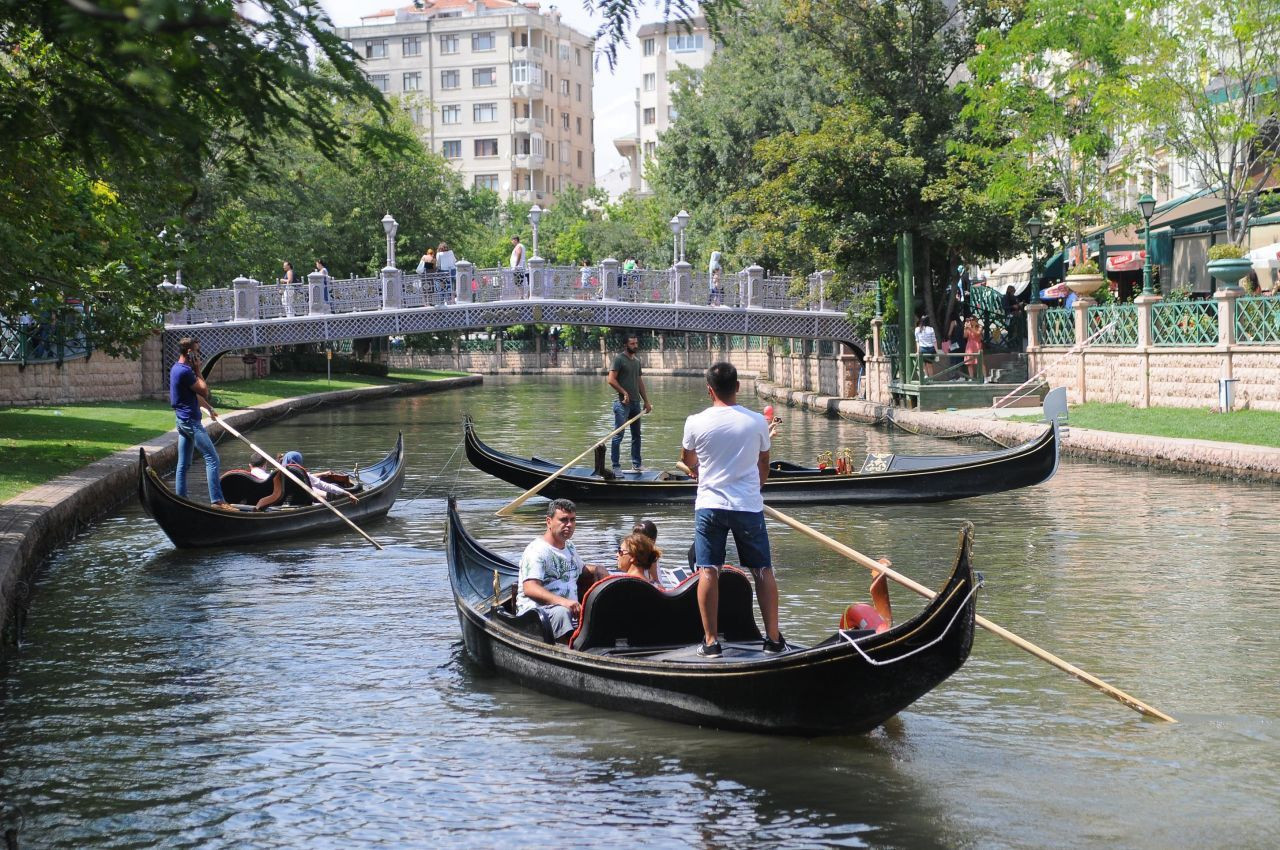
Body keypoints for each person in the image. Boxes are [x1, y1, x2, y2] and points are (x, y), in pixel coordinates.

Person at [680, 362, 785, 657]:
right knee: (762, 570)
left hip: (710, 505)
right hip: (748, 506)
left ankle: (711, 642)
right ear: (738, 387)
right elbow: (763, 463)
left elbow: (688, 461)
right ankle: (773, 639)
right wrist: (756, 488)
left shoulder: (694, 422)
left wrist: (697, 469)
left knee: (708, 570)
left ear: (709, 390)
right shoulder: (757, 422)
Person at [516, 499, 607, 641]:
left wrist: (599, 569)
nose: (569, 525)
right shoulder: (536, 551)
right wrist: (562, 601)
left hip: (569, 612)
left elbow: (582, 570)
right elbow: (530, 588)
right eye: (564, 520)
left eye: (572, 520)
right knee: (561, 612)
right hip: (537, 616)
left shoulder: (569, 547)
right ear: (549, 522)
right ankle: (569, 652)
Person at [170, 337, 234, 510]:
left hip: (182, 420)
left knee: (184, 464)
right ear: (190, 352)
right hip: (190, 421)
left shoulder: (176, 368)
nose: (200, 354)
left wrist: (209, 408)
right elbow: (204, 391)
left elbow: (195, 395)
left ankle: (181, 499)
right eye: (197, 351)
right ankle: (218, 501)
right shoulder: (185, 371)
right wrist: (198, 369)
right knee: (212, 458)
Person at [606, 332, 652, 472]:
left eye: (636, 343)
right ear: (625, 344)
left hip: (635, 404)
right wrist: (624, 392)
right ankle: (615, 466)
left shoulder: (637, 361)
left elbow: (639, 382)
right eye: (632, 343)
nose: (635, 346)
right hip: (622, 404)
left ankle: (637, 464)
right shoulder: (619, 359)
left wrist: (646, 401)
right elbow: (611, 379)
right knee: (618, 435)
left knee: (636, 435)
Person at [280, 450, 357, 502]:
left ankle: (333, 495)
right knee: (315, 488)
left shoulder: (277, 473)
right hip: (302, 499)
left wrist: (321, 474)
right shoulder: (301, 475)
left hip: (284, 500)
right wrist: (347, 493)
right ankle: (332, 496)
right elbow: (323, 485)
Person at [963, 315, 983, 381]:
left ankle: (983, 377)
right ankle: (971, 378)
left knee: (980, 362)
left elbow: (977, 333)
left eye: (972, 320)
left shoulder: (980, 326)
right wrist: (965, 328)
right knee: (969, 363)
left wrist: (970, 328)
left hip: (977, 345)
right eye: (970, 320)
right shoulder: (969, 327)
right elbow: (965, 336)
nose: (971, 321)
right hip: (970, 345)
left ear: (975, 320)